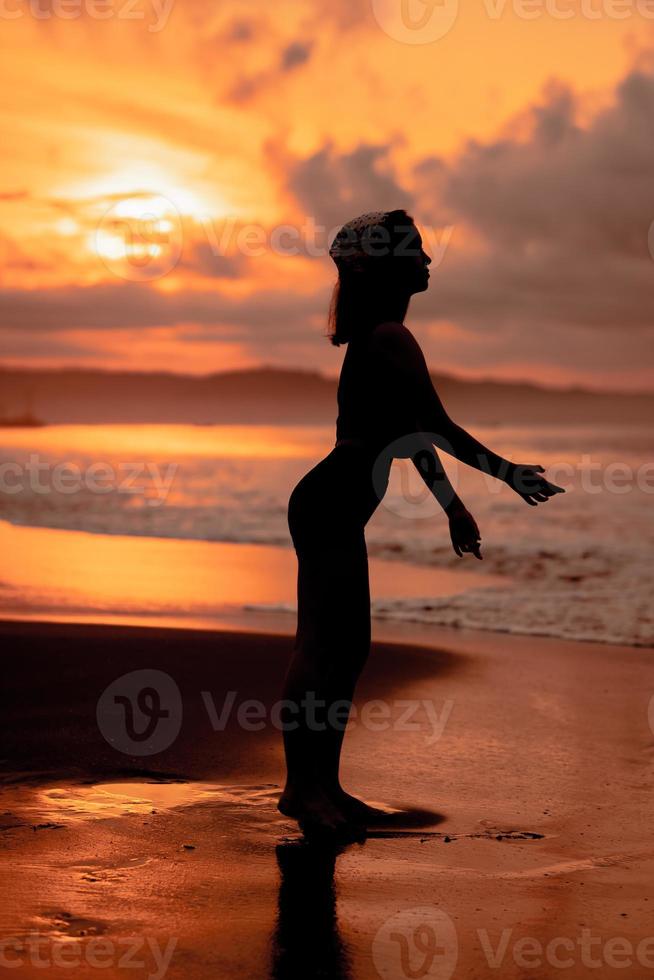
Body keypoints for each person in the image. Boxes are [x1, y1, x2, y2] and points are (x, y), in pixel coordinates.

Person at [278, 209, 564, 839]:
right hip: (330, 505)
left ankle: (323, 785)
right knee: (324, 648)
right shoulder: (388, 338)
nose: (429, 262)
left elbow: (407, 435)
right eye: (417, 253)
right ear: (386, 267)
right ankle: (303, 789)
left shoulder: (377, 339)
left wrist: (452, 505)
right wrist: (507, 473)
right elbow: (436, 424)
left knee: (346, 649)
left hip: (331, 503)